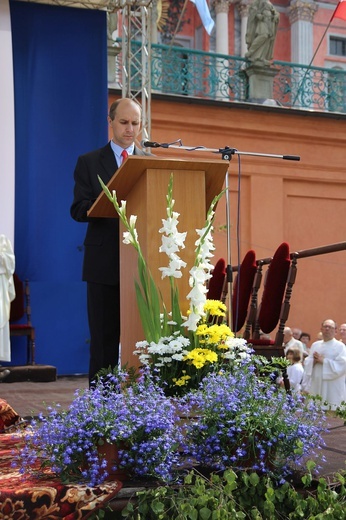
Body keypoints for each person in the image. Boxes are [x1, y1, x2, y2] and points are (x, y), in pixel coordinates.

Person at [70, 98, 150, 386]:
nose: (130, 130)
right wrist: (105, 204)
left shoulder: (150, 163)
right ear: (111, 122)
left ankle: (145, 406)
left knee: (145, 342)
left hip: (143, 266)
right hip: (104, 265)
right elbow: (78, 209)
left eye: (135, 123)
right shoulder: (89, 162)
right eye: (124, 122)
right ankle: (102, 409)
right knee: (104, 342)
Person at [303, 319, 346, 410]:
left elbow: (343, 365)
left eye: (330, 327)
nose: (327, 329)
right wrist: (313, 361)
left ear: (335, 331)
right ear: (321, 329)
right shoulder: (315, 345)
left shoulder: (340, 346)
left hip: (332, 385)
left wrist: (324, 361)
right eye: (325, 326)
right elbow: (307, 362)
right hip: (316, 383)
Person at [245, 0, 279, 65]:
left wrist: (276, 16)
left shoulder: (269, 3)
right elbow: (253, 9)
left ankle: (262, 58)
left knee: (267, 39)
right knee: (264, 35)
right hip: (262, 22)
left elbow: (275, 12)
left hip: (270, 22)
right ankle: (251, 52)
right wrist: (257, 15)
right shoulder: (258, 1)